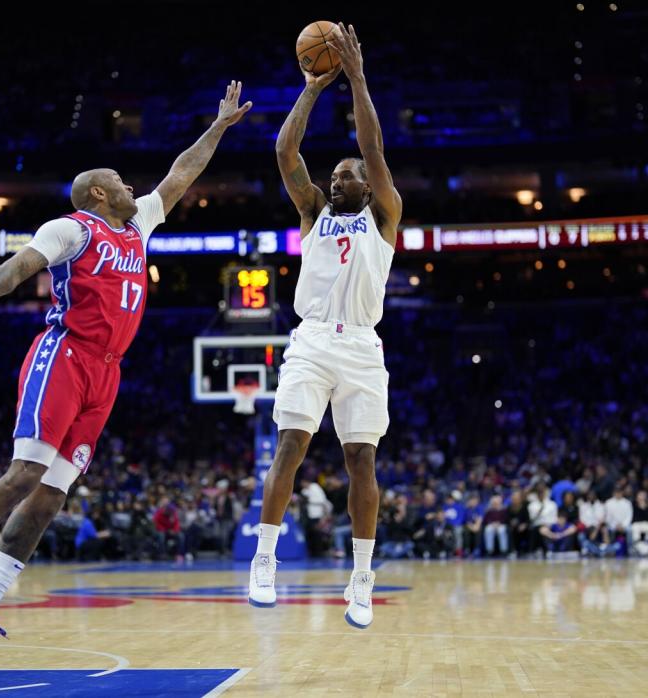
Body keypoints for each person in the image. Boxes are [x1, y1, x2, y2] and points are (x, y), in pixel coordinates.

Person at [0, 81, 252, 676]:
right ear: (99, 192)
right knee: (23, 475)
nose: (131, 185)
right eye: (119, 179)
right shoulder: (71, 228)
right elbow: (22, 264)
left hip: (106, 375)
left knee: (48, 500)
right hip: (64, 355)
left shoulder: (138, 224)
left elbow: (180, 175)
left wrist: (218, 128)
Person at [248, 23, 402, 631]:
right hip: (311, 339)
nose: (337, 180)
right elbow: (287, 154)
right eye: (333, 176)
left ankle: (361, 578)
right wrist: (312, 90)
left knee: (361, 461)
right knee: (290, 443)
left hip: (362, 345)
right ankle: (265, 558)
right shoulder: (313, 211)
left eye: (346, 175)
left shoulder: (384, 214)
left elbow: (373, 149)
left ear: (366, 185)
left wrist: (359, 80)